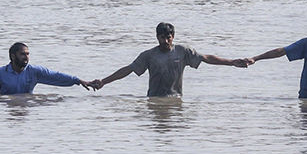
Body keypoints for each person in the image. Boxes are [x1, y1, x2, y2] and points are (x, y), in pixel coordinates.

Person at [88, 22, 247, 97]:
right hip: (154, 99)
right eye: (162, 38)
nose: (165, 41)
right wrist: (104, 82)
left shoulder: (183, 51)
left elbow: (206, 58)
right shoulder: (148, 55)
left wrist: (232, 62)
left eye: (168, 38)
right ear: (157, 37)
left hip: (176, 99)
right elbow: (128, 70)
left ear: (173, 37)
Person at [0, 42, 91, 95]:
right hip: (8, 108)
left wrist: (78, 81)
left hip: (26, 109)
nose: (26, 57)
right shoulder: (0, 73)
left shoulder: (35, 72)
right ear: (12, 56)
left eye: (27, 54)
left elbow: (56, 76)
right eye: (22, 54)